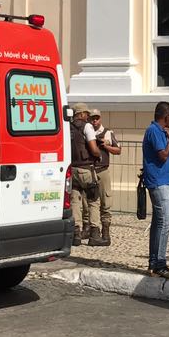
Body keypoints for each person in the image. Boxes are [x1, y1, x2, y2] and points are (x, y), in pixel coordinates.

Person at [142, 101, 169, 278]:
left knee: (158, 223)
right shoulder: (155, 131)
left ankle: (153, 262)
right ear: (167, 116)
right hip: (159, 182)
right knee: (165, 222)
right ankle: (160, 263)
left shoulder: (157, 131)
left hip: (162, 181)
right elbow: (163, 156)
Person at [68, 103, 105, 247]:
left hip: (73, 168)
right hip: (86, 169)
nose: (88, 117)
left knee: (75, 201)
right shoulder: (87, 126)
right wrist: (99, 155)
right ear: (82, 114)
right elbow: (93, 148)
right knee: (93, 200)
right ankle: (95, 233)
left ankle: (76, 234)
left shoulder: (68, 127)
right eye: (87, 114)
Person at [87, 109, 120, 246]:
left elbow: (118, 150)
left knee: (106, 201)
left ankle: (106, 232)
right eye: (92, 118)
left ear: (100, 118)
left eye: (97, 118)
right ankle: (94, 231)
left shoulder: (108, 132)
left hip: (103, 170)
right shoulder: (87, 132)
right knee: (92, 202)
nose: (94, 121)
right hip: (91, 170)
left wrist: (106, 146)